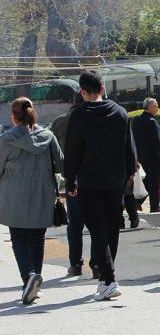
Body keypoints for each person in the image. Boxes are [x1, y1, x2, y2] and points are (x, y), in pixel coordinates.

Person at [64, 69, 137, 301]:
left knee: (97, 231)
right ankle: (106, 277)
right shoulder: (120, 112)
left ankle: (108, 279)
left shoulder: (78, 115)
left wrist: (70, 180)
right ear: (103, 88)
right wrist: (129, 174)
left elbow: (72, 151)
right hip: (115, 180)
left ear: (82, 91)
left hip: (89, 180)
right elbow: (129, 148)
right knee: (112, 228)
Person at [0, 98, 64, 304]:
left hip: (14, 197)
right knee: (37, 238)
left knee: (18, 239)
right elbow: (61, 165)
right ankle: (34, 279)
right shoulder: (48, 136)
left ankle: (29, 277)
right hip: (42, 194)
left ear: (13, 116)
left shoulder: (5, 140)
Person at [52, 91, 94, 277]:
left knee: (75, 224)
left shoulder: (60, 122)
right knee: (96, 224)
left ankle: (75, 263)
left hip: (72, 178)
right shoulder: (95, 119)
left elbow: (54, 154)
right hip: (94, 176)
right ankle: (97, 264)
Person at [132, 97, 160, 212]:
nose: (158, 108)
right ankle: (154, 206)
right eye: (156, 106)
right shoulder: (151, 121)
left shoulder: (137, 120)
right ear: (150, 107)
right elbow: (157, 142)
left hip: (143, 156)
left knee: (150, 179)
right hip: (154, 157)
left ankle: (137, 202)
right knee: (154, 181)